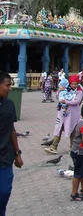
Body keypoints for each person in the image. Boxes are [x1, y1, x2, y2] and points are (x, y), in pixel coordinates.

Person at [0, 72, 24, 215]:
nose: (10, 88)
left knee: (4, 192)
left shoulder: (9, 104)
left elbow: (11, 129)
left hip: (5, 156)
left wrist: (17, 153)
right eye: (7, 85)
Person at [45, 75, 83, 154]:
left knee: (72, 130)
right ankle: (53, 147)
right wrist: (59, 90)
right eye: (72, 84)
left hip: (72, 115)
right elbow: (58, 97)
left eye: (75, 84)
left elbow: (76, 101)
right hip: (63, 114)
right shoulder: (66, 89)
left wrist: (66, 102)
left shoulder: (79, 91)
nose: (73, 85)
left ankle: (72, 148)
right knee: (58, 129)